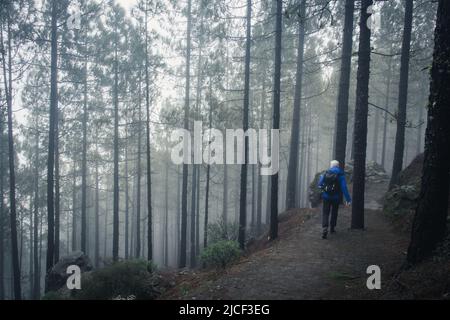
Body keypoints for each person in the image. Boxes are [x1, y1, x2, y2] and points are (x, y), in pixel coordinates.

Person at [318, 160, 351, 239]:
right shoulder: (340, 175)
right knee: (334, 212)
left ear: (331, 166)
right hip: (336, 197)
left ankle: (325, 228)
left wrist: (323, 190)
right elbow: (344, 188)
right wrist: (348, 199)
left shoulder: (325, 173)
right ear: (338, 166)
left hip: (326, 197)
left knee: (325, 213)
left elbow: (319, 184)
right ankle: (332, 228)